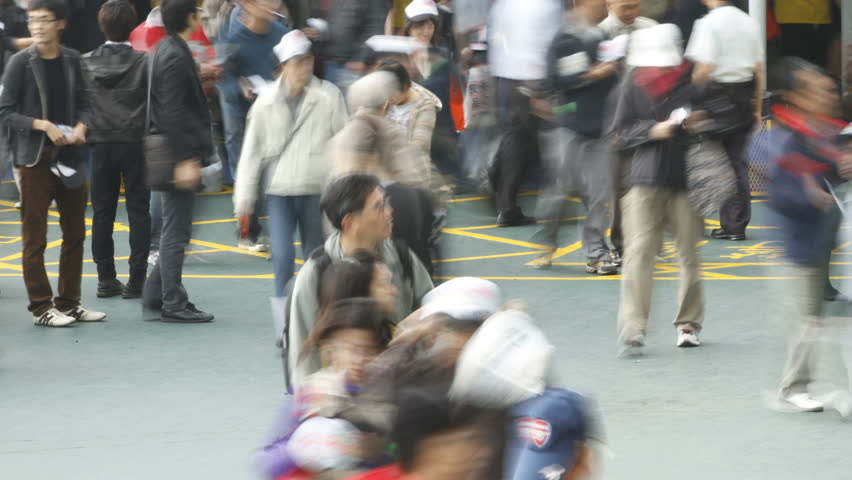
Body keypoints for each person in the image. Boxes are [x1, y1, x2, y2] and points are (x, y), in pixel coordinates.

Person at [0, 0, 106, 326]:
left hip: (71, 156)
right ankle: (41, 307)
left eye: (44, 20)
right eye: (33, 21)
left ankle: (70, 301)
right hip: (34, 159)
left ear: (61, 23)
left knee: (75, 231)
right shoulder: (20, 62)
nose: (37, 26)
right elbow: (5, 111)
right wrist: (41, 125)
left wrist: (82, 127)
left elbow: (88, 103)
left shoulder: (73, 60)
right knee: (35, 237)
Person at [609, 24, 705, 354]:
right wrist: (653, 130)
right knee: (638, 254)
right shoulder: (630, 85)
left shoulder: (689, 83)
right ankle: (634, 325)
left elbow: (708, 119)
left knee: (689, 254)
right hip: (644, 180)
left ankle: (688, 323)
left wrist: (694, 125)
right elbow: (618, 133)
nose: (662, 68)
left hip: (684, 178)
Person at [287, 173, 433, 386]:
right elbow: (304, 360)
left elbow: (431, 309)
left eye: (387, 204)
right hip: (340, 398)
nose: (390, 212)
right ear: (350, 222)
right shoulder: (315, 274)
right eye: (379, 207)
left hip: (399, 390)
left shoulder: (402, 258)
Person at [233, 29, 347, 297]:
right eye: (297, 62)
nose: (303, 67)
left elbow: (343, 143)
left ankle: (314, 314)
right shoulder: (266, 102)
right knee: (282, 258)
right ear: (283, 65)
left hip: (316, 190)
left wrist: (344, 189)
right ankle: (285, 320)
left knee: (316, 258)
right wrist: (244, 203)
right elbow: (251, 154)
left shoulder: (329, 96)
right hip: (279, 191)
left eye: (307, 60)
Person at [766, 58, 850, 412]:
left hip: (821, 243)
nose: (827, 95)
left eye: (827, 89)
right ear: (794, 97)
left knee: (817, 319)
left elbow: (835, 173)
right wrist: (809, 196)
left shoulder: (829, 132)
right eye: (816, 90)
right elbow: (780, 196)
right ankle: (792, 389)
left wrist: (843, 169)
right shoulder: (783, 138)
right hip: (796, 249)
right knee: (808, 322)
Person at [532, 0, 620, 275]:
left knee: (599, 194)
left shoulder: (601, 35)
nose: (605, 4)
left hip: (601, 128)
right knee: (561, 188)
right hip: (569, 126)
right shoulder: (564, 38)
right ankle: (548, 239)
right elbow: (554, 82)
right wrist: (592, 74)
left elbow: (613, 80)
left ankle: (596, 252)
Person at [141, 0, 215, 323]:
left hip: (175, 154)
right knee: (175, 232)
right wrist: (185, 159)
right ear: (189, 17)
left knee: (175, 229)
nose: (202, 17)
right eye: (198, 12)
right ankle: (173, 302)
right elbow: (172, 111)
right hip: (177, 156)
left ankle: (157, 293)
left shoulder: (169, 48)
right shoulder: (174, 54)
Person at [80, 0, 151, 300]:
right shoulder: (145, 61)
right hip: (136, 143)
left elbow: (79, 106)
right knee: (139, 212)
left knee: (103, 213)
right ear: (133, 26)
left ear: (102, 25)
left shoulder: (84, 62)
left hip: (101, 146)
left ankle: (106, 279)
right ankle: (136, 281)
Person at [685, 0, 764, 241]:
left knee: (706, 160)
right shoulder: (749, 22)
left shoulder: (708, 23)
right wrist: (757, 108)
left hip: (714, 97)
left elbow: (704, 68)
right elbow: (759, 70)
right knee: (737, 163)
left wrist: (691, 101)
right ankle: (735, 225)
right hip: (743, 97)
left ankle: (694, 221)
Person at [218, 0, 289, 252]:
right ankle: (247, 231)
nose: (270, 5)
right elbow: (223, 76)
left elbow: (294, 67)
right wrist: (240, 85)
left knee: (274, 174)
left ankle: (279, 229)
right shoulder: (233, 36)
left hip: (274, 113)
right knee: (247, 175)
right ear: (247, 5)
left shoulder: (281, 34)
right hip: (240, 114)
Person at [487, 0, 564, 227]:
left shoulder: (506, 4)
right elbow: (536, 45)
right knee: (526, 144)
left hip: (508, 79)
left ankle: (505, 201)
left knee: (518, 142)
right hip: (531, 80)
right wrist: (535, 90)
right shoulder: (542, 5)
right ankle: (508, 202)